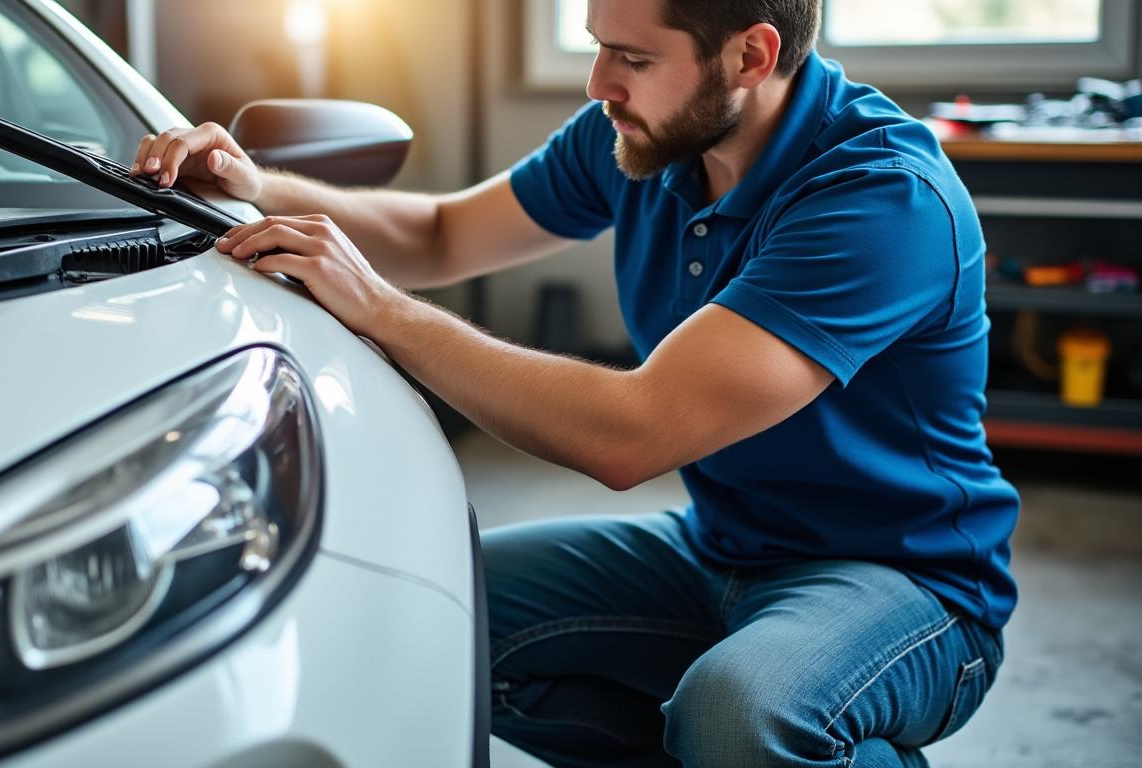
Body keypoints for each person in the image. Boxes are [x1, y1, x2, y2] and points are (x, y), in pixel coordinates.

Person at [133, 0, 1017, 764]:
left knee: (739, 711)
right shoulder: (649, 133)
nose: (599, 83)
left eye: (632, 57)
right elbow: (443, 235)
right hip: (724, 547)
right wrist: (257, 188)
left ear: (751, 56)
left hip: (909, 584)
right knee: (426, 608)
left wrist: (382, 310)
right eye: (596, 43)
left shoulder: (879, 198)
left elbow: (631, 434)